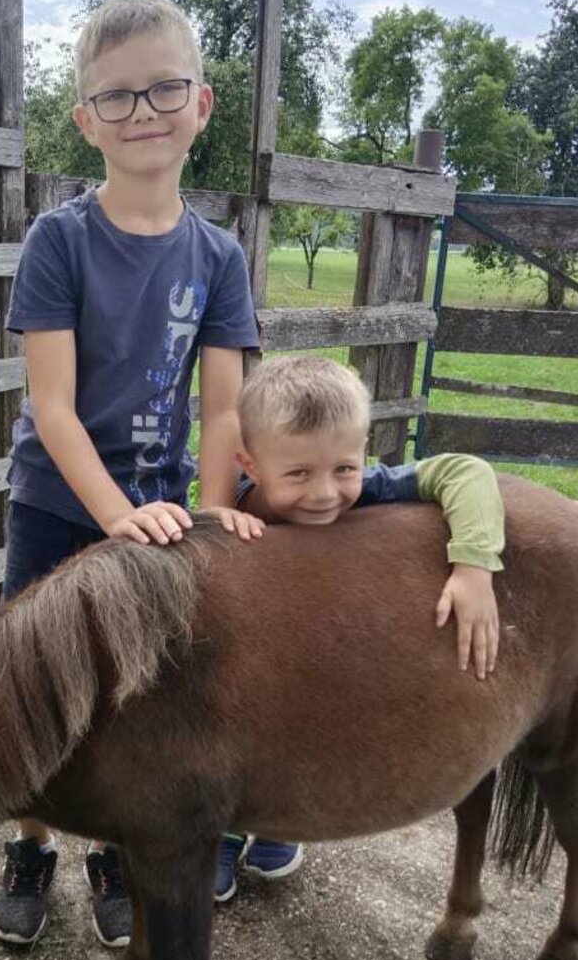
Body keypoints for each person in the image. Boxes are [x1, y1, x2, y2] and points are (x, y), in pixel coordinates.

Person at [0, 0, 264, 948]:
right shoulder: (59, 240)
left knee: (131, 693)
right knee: (30, 692)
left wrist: (218, 519)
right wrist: (111, 514)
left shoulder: (220, 256)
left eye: (163, 90)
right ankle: (32, 846)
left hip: (157, 512)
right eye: (116, 98)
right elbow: (51, 407)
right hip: (60, 505)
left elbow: (223, 408)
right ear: (84, 121)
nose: (142, 112)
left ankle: (109, 845)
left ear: (203, 104)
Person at [212, 354, 505, 903]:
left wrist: (473, 566)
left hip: (324, 655)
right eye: (298, 473)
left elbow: (465, 470)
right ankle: (229, 832)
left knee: (303, 735)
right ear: (249, 464)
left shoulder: (366, 489)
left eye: (344, 467)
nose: (326, 493)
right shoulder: (230, 504)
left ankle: (279, 828)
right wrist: (219, 517)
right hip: (256, 663)